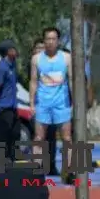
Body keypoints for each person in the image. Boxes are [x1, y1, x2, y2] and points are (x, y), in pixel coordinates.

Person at [30, 26, 73, 181]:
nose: (50, 42)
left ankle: (68, 172)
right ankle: (36, 172)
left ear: (58, 41)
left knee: (67, 138)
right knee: (39, 138)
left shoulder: (66, 58)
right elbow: (33, 81)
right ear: (44, 40)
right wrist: (31, 103)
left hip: (62, 104)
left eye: (53, 39)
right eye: (48, 39)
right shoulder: (36, 59)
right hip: (43, 104)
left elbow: (71, 80)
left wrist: (75, 102)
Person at [0, 40, 20, 161]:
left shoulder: (13, 65)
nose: (16, 50)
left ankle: (13, 159)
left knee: (15, 134)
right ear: (8, 51)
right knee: (2, 136)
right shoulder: (2, 67)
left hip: (13, 107)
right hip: (3, 107)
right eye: (13, 48)